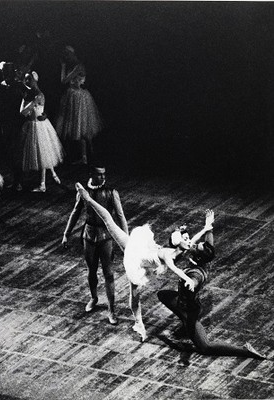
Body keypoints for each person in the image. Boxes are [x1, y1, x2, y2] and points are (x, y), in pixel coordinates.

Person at [75, 182, 196, 341]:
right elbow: (175, 269)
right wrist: (188, 279)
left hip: (142, 254)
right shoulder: (169, 254)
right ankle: (88, 198)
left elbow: (191, 242)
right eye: (186, 239)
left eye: (188, 239)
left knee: (135, 294)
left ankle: (138, 323)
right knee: (109, 222)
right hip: (136, 255)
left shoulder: (177, 251)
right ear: (178, 242)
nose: (189, 241)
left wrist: (207, 227)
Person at [157, 210, 266, 359]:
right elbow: (208, 243)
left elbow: (195, 278)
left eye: (198, 246)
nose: (195, 245)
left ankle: (244, 350)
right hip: (183, 301)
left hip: (190, 311)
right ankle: (184, 326)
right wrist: (209, 226)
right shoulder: (202, 257)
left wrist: (191, 283)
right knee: (162, 294)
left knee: (205, 347)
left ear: (198, 256)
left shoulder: (196, 273)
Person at [62, 166, 128, 324]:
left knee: (109, 273)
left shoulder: (112, 193)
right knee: (91, 270)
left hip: (106, 236)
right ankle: (94, 298)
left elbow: (120, 216)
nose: (102, 177)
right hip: (89, 235)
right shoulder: (84, 193)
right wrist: (66, 233)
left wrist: (126, 241)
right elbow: (75, 213)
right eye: (99, 174)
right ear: (91, 175)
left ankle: (111, 309)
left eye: (104, 174)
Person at [55, 46, 104, 165]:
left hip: (78, 97)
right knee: (78, 128)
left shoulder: (78, 66)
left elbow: (64, 81)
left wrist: (63, 66)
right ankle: (84, 157)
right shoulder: (73, 66)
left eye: (67, 55)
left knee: (82, 127)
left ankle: (90, 155)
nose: (66, 57)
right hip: (73, 95)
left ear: (72, 54)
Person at [20, 71, 64, 192]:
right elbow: (22, 112)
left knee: (43, 153)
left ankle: (43, 184)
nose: (26, 82)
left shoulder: (39, 94)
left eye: (29, 79)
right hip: (30, 125)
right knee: (40, 154)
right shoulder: (27, 95)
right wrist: (31, 102)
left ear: (35, 80)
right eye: (25, 79)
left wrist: (34, 104)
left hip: (39, 126)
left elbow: (39, 109)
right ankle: (53, 175)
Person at [0, 61, 26, 191]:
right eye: (5, 72)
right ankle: (14, 177)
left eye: (9, 72)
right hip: (5, 123)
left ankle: (19, 180)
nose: (7, 75)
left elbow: (31, 95)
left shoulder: (19, 86)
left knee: (17, 151)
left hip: (18, 122)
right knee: (8, 151)